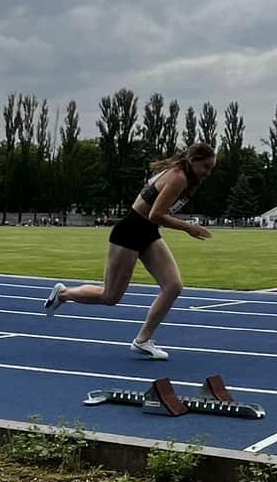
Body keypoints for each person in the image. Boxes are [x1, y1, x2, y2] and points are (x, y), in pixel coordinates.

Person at [44, 143, 216, 359]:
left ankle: (142, 341)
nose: (208, 173)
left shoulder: (182, 175)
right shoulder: (178, 177)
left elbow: (151, 216)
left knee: (173, 286)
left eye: (211, 169)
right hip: (130, 232)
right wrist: (188, 227)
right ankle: (63, 294)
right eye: (206, 167)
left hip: (147, 233)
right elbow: (155, 214)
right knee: (110, 296)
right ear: (193, 160)